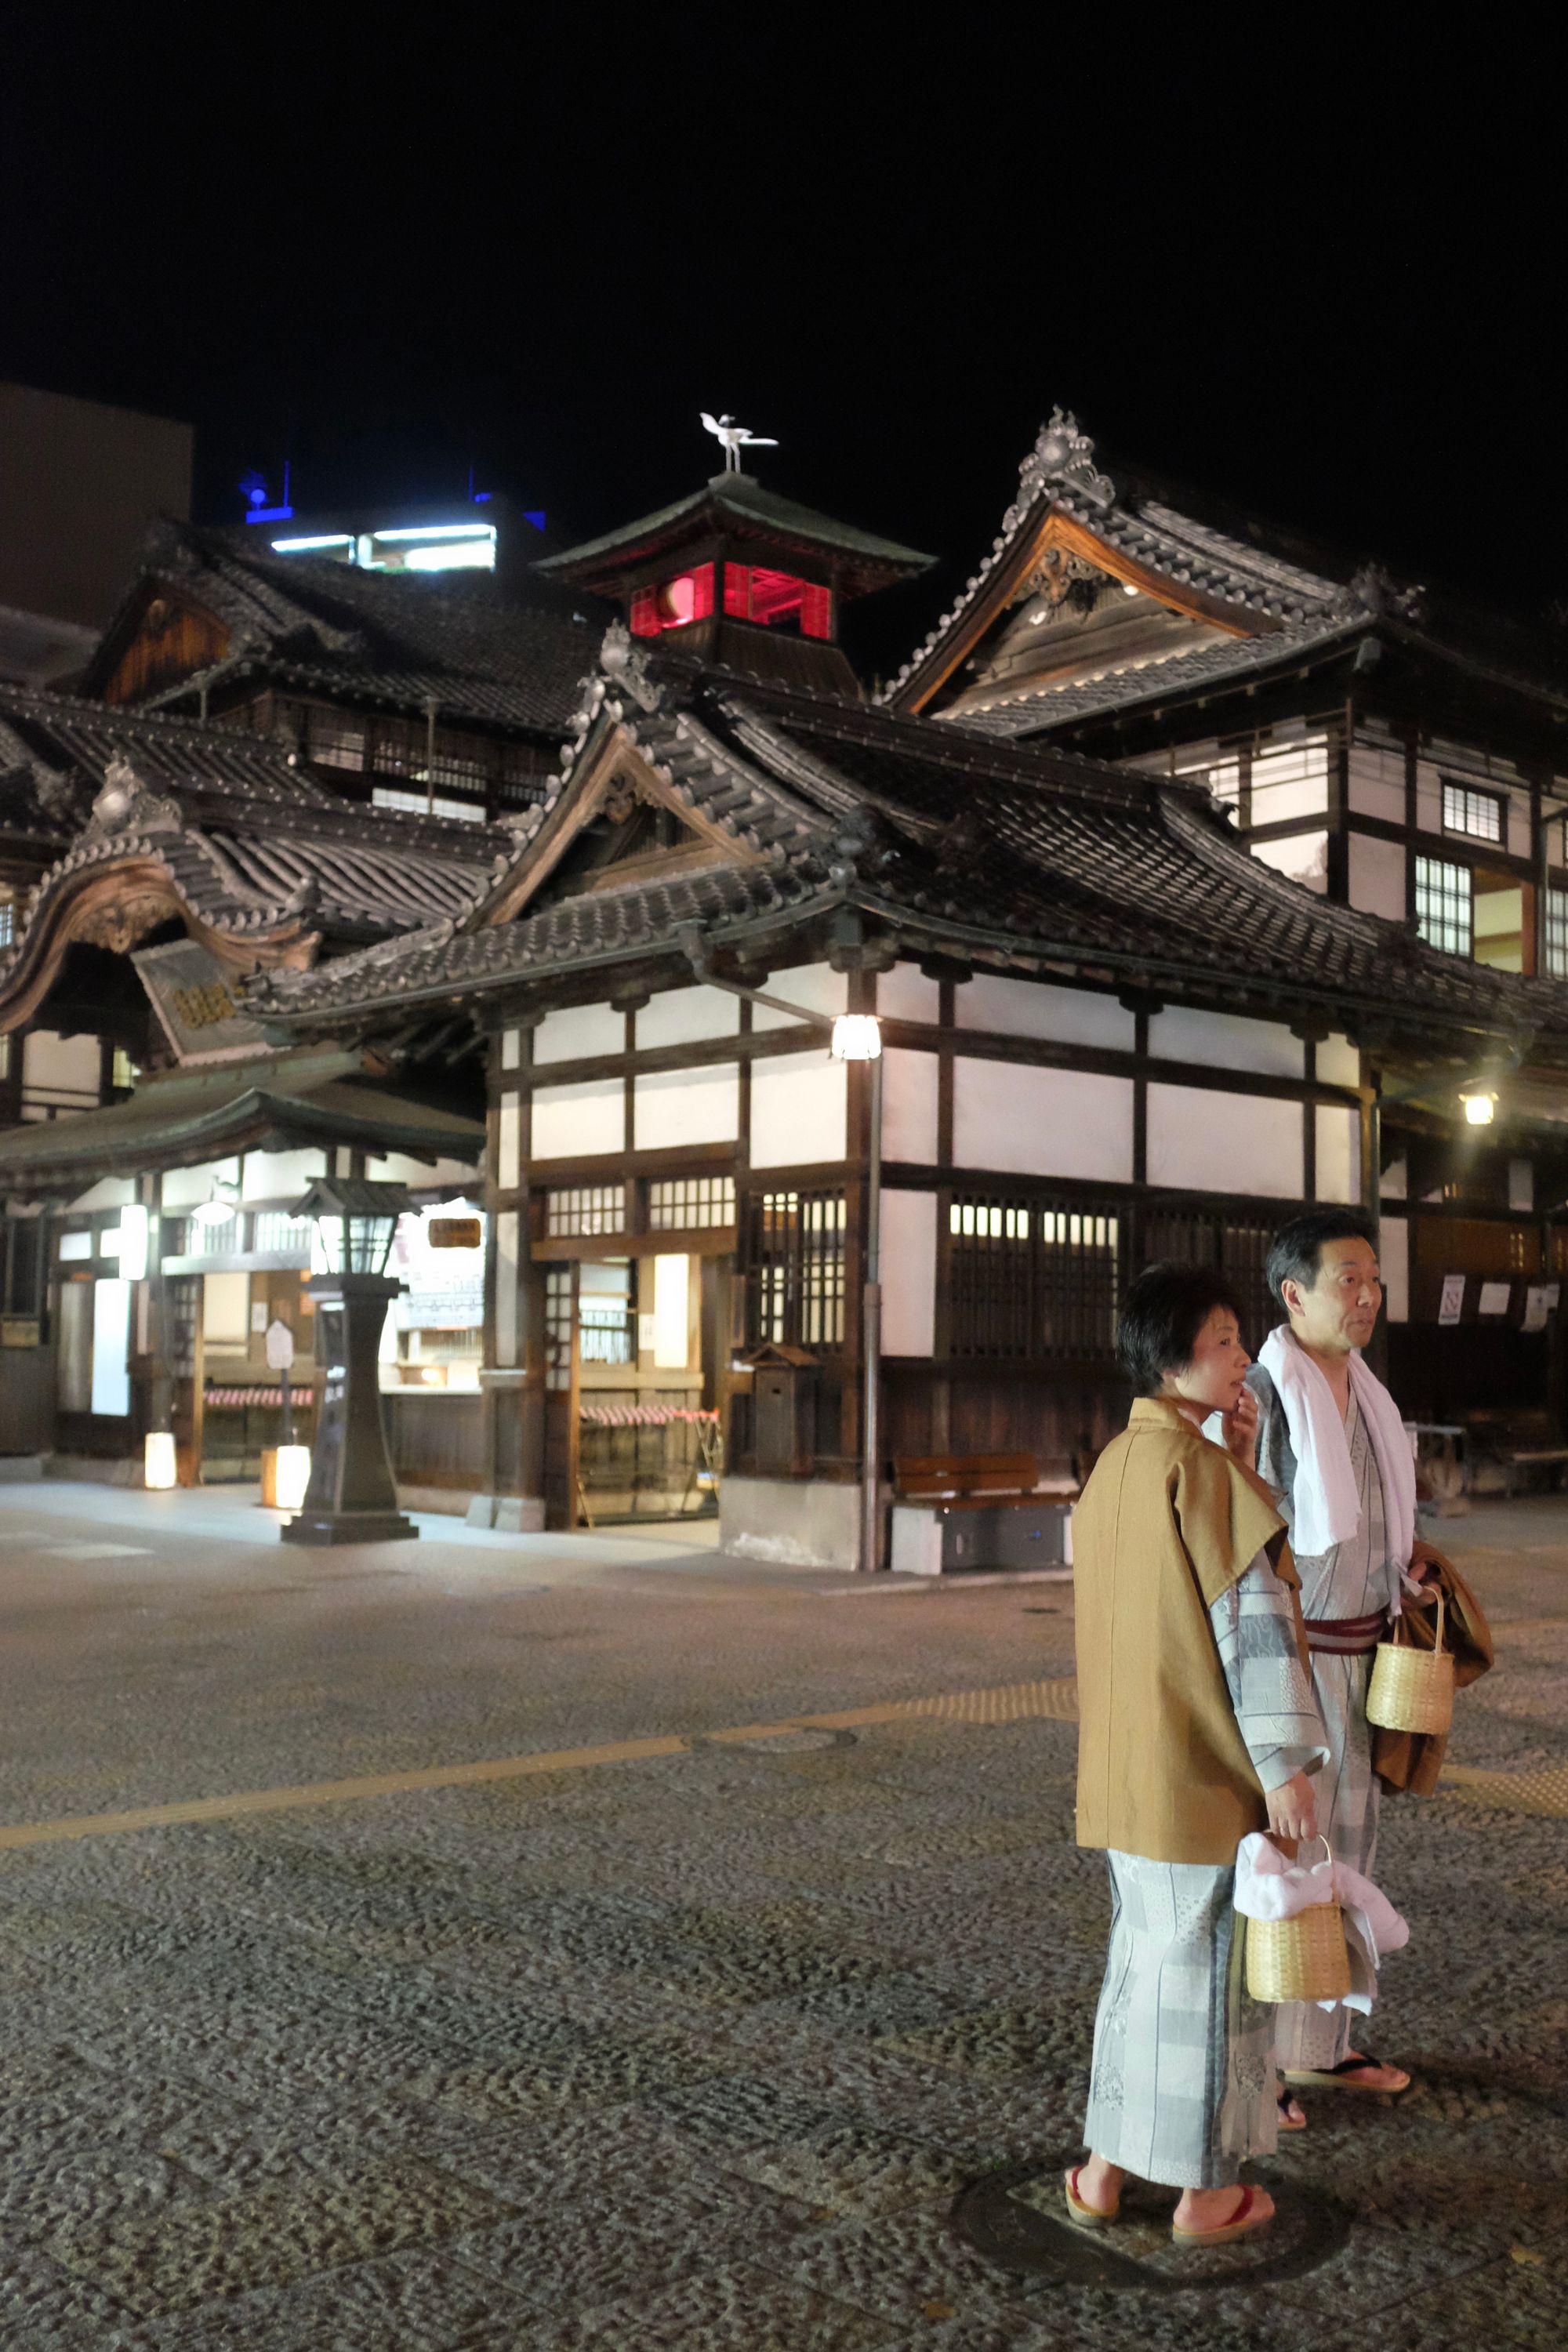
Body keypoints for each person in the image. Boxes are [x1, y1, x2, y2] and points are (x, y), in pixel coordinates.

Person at [1069, 1264, 1329, 2246]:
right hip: (1203, 1777)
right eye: (1222, 1341)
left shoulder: (1116, 1467)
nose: (1238, 1358)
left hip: (1126, 1776)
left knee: (1138, 1974)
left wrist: (1242, 1457)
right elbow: (1248, 1625)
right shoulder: (1200, 1474)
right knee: (1212, 1996)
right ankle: (1206, 2194)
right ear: (1173, 1358)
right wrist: (1284, 1767)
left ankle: (1100, 2172)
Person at [1238, 1209, 1431, 2126]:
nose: (1365, 1297)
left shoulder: (1366, 1391)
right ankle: (1255, 2069)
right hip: (1296, 1662)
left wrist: (1406, 1565)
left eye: (1371, 1279)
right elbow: (1248, 1547)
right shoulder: (1267, 1395)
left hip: (1362, 1657)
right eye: (1345, 1279)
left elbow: (1373, 1527)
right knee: (1283, 1859)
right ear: (1293, 1293)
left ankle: (1320, 2046)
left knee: (1347, 1854)